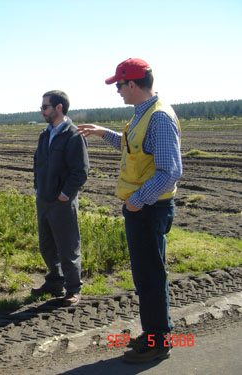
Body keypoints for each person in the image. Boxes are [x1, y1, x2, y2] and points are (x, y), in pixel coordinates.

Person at [78, 58, 182, 363]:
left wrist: (138, 199)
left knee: (150, 276)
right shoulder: (143, 114)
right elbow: (133, 148)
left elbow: (170, 170)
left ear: (133, 84)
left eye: (120, 85)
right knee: (145, 275)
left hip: (150, 208)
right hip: (142, 207)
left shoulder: (159, 117)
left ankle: (159, 342)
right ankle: (153, 333)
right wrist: (103, 133)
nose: (118, 91)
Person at [32, 90, 89, 307]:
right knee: (46, 245)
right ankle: (55, 281)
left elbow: (80, 171)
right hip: (44, 199)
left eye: (45, 107)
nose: (42, 111)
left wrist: (65, 195)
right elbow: (37, 163)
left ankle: (73, 288)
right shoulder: (44, 134)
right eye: (41, 107)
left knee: (68, 246)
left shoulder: (74, 135)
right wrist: (38, 187)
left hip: (63, 203)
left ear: (59, 108)